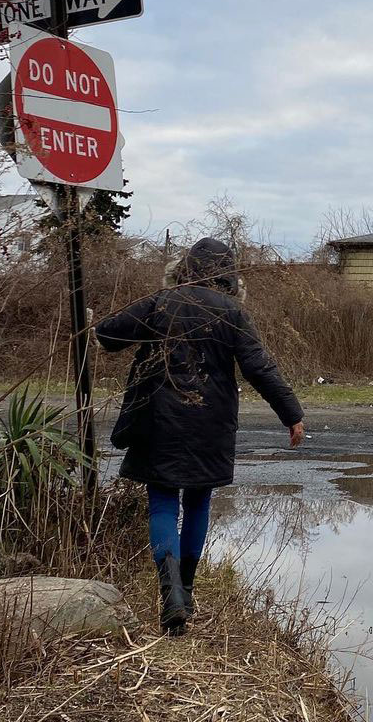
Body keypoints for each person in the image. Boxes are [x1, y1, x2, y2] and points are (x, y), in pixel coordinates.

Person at [95, 237, 304, 635]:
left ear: (186, 267)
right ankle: (186, 593)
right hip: (211, 424)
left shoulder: (162, 301)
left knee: (160, 503)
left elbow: (109, 334)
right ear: (229, 276)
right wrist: (291, 415)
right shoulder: (232, 313)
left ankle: (169, 593)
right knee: (197, 503)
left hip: (158, 420)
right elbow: (260, 368)